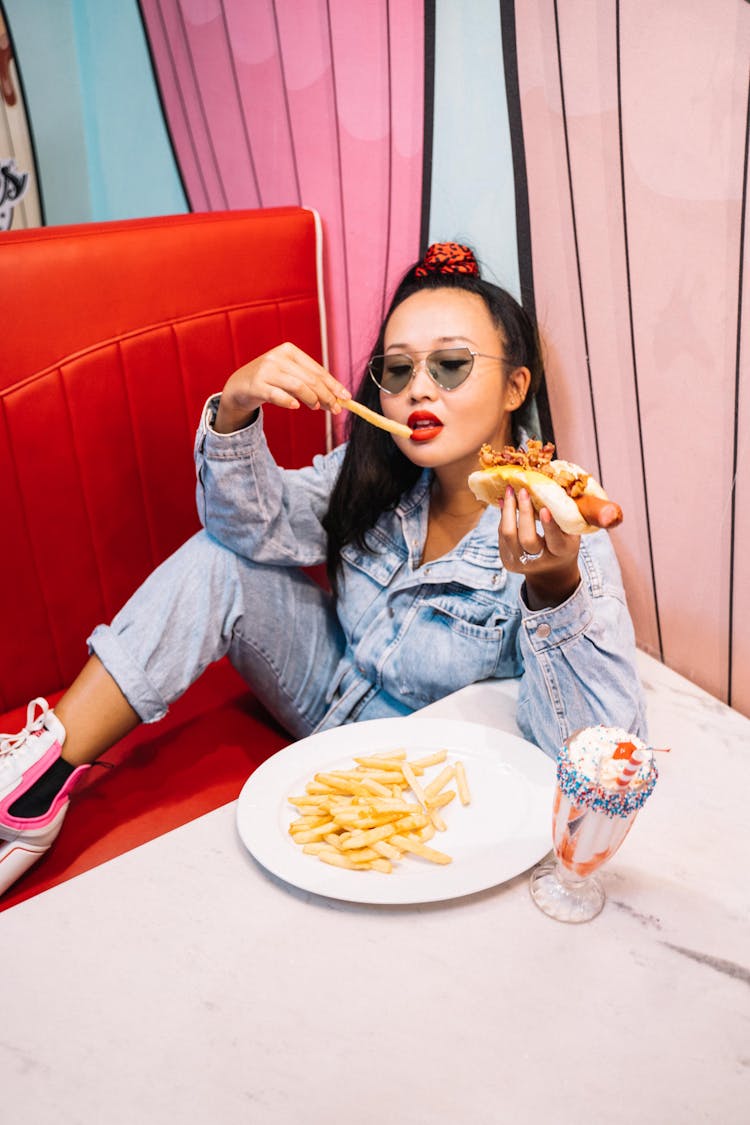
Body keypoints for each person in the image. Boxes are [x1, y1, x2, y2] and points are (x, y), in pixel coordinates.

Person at [0, 242, 646, 895]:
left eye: (450, 364)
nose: (419, 386)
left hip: (423, 771)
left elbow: (598, 752)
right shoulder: (370, 475)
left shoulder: (562, 530)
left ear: (516, 385)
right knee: (216, 559)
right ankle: (35, 785)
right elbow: (244, 527)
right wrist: (235, 407)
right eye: (397, 371)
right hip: (323, 691)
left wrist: (552, 585)